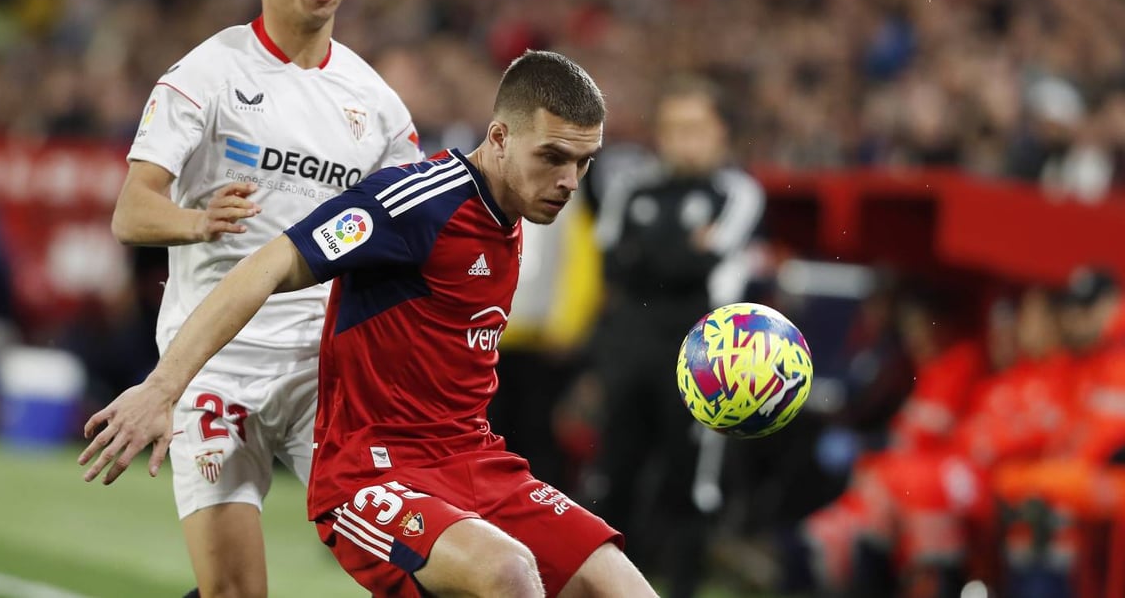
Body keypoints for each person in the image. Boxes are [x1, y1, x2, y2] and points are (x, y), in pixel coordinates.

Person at [81, 50, 657, 598]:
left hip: (473, 460)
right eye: (553, 157)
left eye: (584, 162)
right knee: (509, 572)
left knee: (622, 586)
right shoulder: (417, 204)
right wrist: (163, 386)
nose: (570, 180)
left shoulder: (509, 218)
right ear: (500, 138)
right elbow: (267, 264)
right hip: (373, 473)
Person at [95, 0, 422, 595]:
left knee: (417, 563)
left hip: (321, 370)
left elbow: (415, 228)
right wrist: (196, 219)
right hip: (213, 365)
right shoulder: (205, 76)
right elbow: (131, 211)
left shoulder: (379, 106)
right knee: (236, 591)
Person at [581, 76, 764, 597]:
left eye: (695, 128)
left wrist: (657, 253)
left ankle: (680, 587)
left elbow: (693, 263)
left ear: (721, 133)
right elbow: (615, 262)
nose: (682, 140)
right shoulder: (630, 187)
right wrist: (680, 252)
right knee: (612, 477)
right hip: (630, 351)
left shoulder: (738, 191)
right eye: (672, 128)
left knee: (691, 484)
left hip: (703, 358)